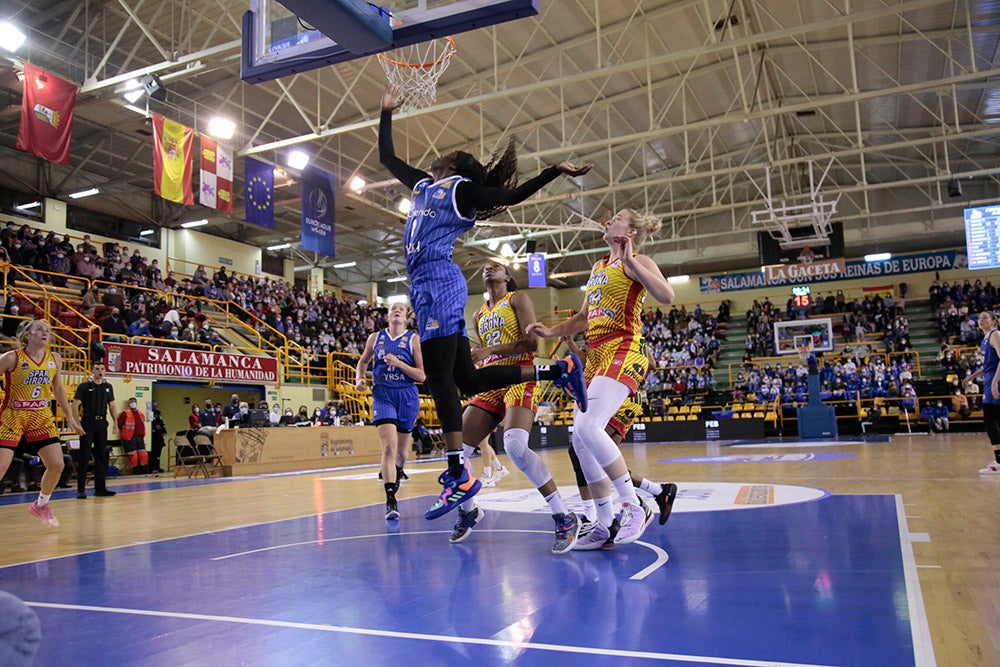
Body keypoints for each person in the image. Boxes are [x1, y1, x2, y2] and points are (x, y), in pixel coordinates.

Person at [379, 83, 591, 521]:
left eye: (444, 153)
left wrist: (554, 170)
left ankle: (459, 473)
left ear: (454, 163)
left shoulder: (459, 189)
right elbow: (387, 158)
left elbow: (510, 197)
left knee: (437, 377)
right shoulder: (422, 187)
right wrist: (385, 113)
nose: (435, 156)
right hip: (424, 287)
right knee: (470, 383)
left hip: (439, 279)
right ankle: (559, 369)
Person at [527, 208, 675, 546]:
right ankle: (605, 522)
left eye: (619, 217)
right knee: (579, 443)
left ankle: (634, 504)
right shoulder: (597, 267)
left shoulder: (640, 261)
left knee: (586, 427)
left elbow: (667, 296)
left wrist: (631, 261)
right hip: (596, 356)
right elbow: (583, 316)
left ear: (631, 231)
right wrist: (551, 330)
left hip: (625, 349)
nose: (609, 221)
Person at [450, 262, 578, 552]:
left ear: (507, 277)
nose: (488, 267)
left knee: (516, 447)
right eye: (485, 266)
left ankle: (564, 515)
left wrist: (489, 351)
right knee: (457, 452)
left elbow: (532, 344)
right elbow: (484, 354)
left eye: (497, 266)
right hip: (491, 380)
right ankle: (469, 510)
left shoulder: (517, 299)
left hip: (520, 376)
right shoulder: (478, 312)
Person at [0, 319, 84, 526]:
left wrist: (70, 417)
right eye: (39, 329)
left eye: (47, 330)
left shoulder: (55, 359)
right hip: (13, 414)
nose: (45, 332)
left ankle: (41, 504)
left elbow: (59, 390)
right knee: (1, 466)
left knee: (57, 464)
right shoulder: (12, 358)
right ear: (27, 335)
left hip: (40, 415)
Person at [355, 301, 426, 521]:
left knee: (402, 454)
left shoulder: (413, 339)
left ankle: (398, 470)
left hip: (406, 395)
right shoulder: (375, 338)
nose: (396, 311)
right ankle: (390, 500)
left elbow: (421, 376)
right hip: (383, 394)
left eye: (401, 309)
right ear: (387, 316)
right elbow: (363, 362)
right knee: (388, 447)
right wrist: (359, 378)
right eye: (392, 309)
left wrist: (399, 364)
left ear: (406, 317)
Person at [71, 360, 120, 498]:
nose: (100, 371)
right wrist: (76, 423)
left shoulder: (108, 387)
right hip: (88, 422)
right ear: (92, 371)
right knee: (85, 455)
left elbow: (112, 406)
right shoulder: (84, 386)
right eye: (97, 368)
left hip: (102, 423)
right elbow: (75, 405)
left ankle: (100, 488)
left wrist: (116, 422)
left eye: (102, 368)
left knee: (102, 455)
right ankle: (81, 489)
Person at [963, 310, 1000, 474]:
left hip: (995, 380)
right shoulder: (985, 339)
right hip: (990, 379)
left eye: (984, 318)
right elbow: (987, 366)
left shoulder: (995, 334)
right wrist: (972, 376)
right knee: (992, 420)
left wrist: (995, 382)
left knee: (991, 419)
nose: (980, 320)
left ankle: (999, 462)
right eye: (979, 318)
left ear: (993, 321)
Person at [117, 398, 150, 474]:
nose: (133, 403)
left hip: (140, 437)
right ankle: (136, 471)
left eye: (134, 402)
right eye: (131, 402)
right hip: (129, 438)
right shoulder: (125, 413)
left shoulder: (140, 413)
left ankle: (145, 470)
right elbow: (120, 424)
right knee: (133, 455)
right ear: (128, 404)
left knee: (143, 454)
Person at [150, 407, 167, 473]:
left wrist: (161, 430)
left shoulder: (160, 420)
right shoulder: (152, 421)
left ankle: (157, 467)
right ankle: (153, 467)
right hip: (153, 440)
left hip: (159, 440)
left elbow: (164, 431)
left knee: (158, 455)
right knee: (152, 455)